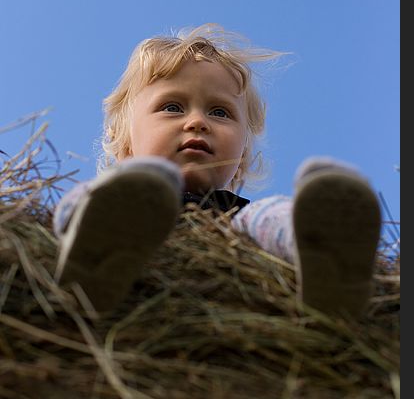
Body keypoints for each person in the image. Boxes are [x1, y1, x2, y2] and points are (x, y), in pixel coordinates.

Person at [53, 23, 381, 316]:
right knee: (92, 198)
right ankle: (92, 256)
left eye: (220, 112)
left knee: (278, 213)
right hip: (130, 217)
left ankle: (328, 262)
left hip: (235, 246)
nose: (198, 121)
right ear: (125, 142)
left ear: (242, 155)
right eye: (172, 107)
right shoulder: (117, 192)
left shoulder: (242, 219)